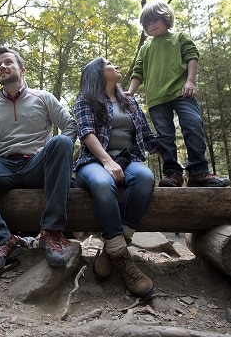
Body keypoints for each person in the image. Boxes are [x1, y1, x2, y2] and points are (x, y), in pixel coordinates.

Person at [0, 46, 78, 272]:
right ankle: (0, 240)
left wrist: (47, 151)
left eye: (8, 62)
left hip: (37, 165)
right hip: (5, 167)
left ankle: (52, 233)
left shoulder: (43, 97)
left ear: (22, 69)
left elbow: (70, 125)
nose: (2, 66)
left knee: (61, 142)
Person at [73, 57, 158, 299]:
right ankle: (124, 261)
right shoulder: (85, 100)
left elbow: (147, 135)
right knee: (102, 183)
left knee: (144, 177)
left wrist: (171, 160)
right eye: (109, 64)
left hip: (128, 161)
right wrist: (106, 161)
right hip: (92, 162)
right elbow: (86, 133)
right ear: (98, 73)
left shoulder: (129, 102)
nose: (116, 66)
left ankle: (114, 248)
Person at [127, 0, 230, 188]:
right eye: (147, 23)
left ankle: (199, 172)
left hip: (182, 92)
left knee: (193, 125)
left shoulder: (180, 38)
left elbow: (192, 56)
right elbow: (138, 71)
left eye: (154, 20)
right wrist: (130, 93)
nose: (151, 25)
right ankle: (173, 173)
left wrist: (190, 81)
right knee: (164, 136)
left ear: (165, 18)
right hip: (157, 98)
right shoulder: (145, 48)